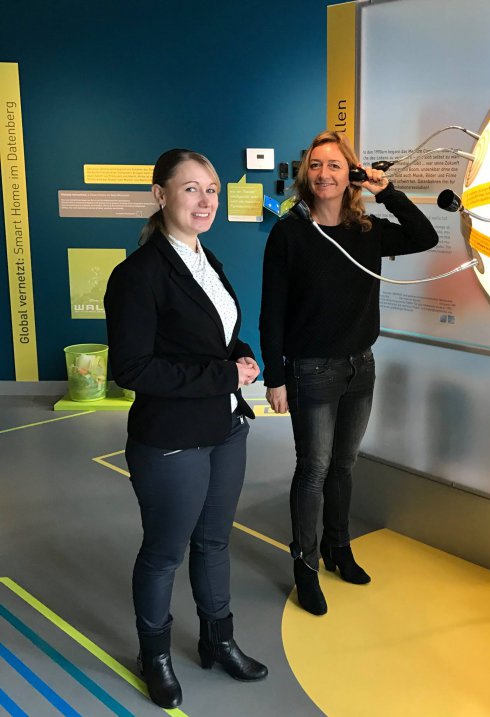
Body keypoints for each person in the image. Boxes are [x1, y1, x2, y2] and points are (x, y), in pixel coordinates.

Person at [104, 148, 267, 710]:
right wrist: (223, 374)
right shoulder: (137, 275)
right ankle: (155, 656)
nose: (205, 201)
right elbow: (132, 369)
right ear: (161, 194)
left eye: (212, 190)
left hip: (225, 428)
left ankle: (217, 640)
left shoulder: (207, 260)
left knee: (215, 541)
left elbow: (216, 336)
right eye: (192, 188)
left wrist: (241, 354)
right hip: (172, 439)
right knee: (164, 553)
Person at [259, 131, 439, 615]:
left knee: (343, 466)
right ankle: (305, 564)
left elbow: (425, 236)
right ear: (306, 175)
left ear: (351, 175)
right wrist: (274, 377)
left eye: (335, 165)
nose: (324, 174)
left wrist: (387, 191)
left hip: (361, 366)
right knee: (313, 469)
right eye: (316, 165)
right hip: (310, 370)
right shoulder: (289, 233)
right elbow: (271, 312)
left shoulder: (367, 230)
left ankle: (338, 549)